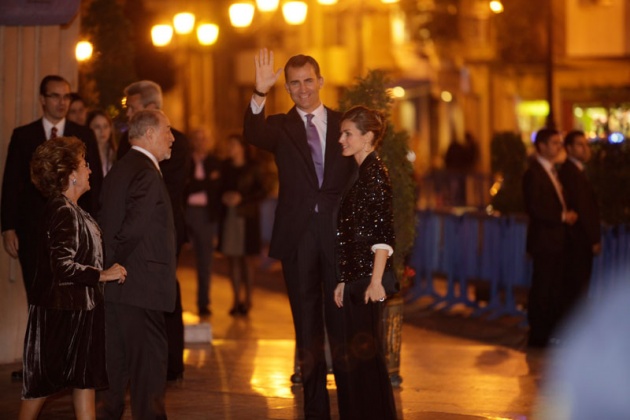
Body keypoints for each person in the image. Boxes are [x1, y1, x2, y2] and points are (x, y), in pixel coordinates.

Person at [243, 48, 356, 418]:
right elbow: (251, 131)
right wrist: (259, 93)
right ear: (288, 89)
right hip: (298, 239)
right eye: (295, 83)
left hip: (338, 236)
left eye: (309, 80)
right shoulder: (280, 126)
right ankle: (316, 410)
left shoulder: (344, 125)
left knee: (343, 326)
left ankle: (352, 406)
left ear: (321, 82)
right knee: (307, 328)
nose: (303, 88)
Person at [20, 137, 126, 420]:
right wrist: (103, 274)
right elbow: (62, 265)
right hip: (60, 314)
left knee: (85, 383)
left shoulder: (74, 210)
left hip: (81, 311)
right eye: (84, 164)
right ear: (70, 174)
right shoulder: (62, 210)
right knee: (41, 387)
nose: (90, 170)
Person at [96, 110, 177, 419]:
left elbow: (107, 223)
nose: (172, 138)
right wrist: (113, 264)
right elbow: (132, 229)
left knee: (115, 373)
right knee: (148, 375)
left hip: (120, 288)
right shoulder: (145, 171)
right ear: (149, 135)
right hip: (141, 287)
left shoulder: (119, 169)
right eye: (167, 130)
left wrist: (107, 270)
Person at [1, 74, 103, 315]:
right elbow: (11, 184)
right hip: (33, 231)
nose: (62, 102)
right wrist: (8, 227)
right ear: (42, 99)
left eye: (66, 96)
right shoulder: (24, 135)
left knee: (72, 297)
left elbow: (96, 182)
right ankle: (41, 349)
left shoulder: (83, 135)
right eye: (55, 96)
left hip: (75, 232)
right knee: (38, 297)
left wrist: (96, 227)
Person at [117, 80, 190, 382]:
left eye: (132, 108)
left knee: (164, 291)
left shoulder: (178, 142)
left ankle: (170, 362)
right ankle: (146, 361)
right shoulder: (128, 141)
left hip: (164, 229)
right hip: (139, 228)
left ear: (149, 108)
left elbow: (167, 188)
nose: (127, 114)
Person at [333, 106, 397, 419]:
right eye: (341, 133)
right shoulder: (361, 171)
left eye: (348, 134)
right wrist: (345, 279)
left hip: (368, 281)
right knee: (357, 360)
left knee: (367, 360)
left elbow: (382, 232)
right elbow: (353, 234)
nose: (341, 139)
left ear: (367, 137)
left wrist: (375, 281)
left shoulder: (374, 173)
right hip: (357, 279)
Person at [522, 128, 577, 348]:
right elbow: (535, 207)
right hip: (544, 241)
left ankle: (551, 332)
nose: (558, 147)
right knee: (543, 288)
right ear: (542, 146)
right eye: (554, 143)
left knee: (555, 288)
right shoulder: (533, 173)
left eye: (559, 143)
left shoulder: (554, 171)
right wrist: (562, 216)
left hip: (557, 241)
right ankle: (538, 336)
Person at [219, 134, 265, 316]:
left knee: (247, 259)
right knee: (233, 258)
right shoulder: (225, 166)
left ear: (242, 147)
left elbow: (262, 190)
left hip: (247, 216)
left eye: (233, 144)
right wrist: (224, 196)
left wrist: (242, 198)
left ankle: (248, 300)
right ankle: (236, 299)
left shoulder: (253, 167)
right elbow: (219, 188)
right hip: (230, 216)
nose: (230, 148)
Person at [558, 130, 601, 319]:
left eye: (586, 144)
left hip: (579, 240)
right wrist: (593, 238)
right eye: (580, 145)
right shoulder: (570, 172)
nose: (585, 149)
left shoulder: (578, 171)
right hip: (578, 241)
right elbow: (583, 208)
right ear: (569, 148)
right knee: (576, 289)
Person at [184, 128, 222, 316]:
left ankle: (203, 302)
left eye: (204, 139)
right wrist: (206, 182)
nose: (200, 142)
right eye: (197, 139)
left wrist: (198, 184)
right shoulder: (186, 161)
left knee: (205, 261)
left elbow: (217, 188)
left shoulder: (215, 162)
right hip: (187, 213)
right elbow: (186, 187)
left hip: (206, 215)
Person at [87, 109, 117, 176]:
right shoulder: (85, 156)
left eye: (105, 126)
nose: (102, 131)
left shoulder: (116, 154)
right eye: (97, 127)